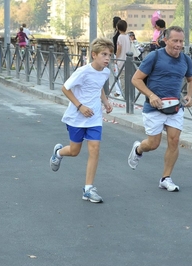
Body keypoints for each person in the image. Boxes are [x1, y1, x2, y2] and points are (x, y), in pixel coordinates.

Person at [128, 26, 192, 192]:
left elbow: (191, 80)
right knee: (153, 144)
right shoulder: (155, 56)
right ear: (166, 40)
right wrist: (151, 95)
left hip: (174, 108)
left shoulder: (185, 60)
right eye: (175, 41)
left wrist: (190, 96)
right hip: (154, 108)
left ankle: (166, 178)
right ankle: (138, 149)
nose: (179, 45)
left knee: (174, 140)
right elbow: (136, 79)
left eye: (181, 41)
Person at [49, 37, 114, 203]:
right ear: (94, 55)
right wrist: (80, 106)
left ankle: (88, 189)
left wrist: (105, 102)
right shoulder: (83, 72)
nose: (107, 58)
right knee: (74, 151)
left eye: (110, 55)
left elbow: (98, 87)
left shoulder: (106, 72)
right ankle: (58, 152)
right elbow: (65, 88)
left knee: (95, 149)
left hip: (94, 118)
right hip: (77, 117)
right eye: (104, 54)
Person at [115, 19, 131, 98]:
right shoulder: (127, 36)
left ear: (118, 27)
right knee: (127, 78)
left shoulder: (120, 37)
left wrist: (116, 58)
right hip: (128, 59)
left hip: (121, 60)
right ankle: (129, 94)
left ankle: (125, 95)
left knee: (122, 78)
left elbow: (119, 49)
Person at [112, 16, 122, 98]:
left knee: (118, 73)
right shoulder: (118, 33)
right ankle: (119, 90)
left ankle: (119, 91)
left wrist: (116, 58)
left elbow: (119, 47)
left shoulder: (119, 34)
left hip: (118, 55)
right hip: (118, 55)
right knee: (118, 73)